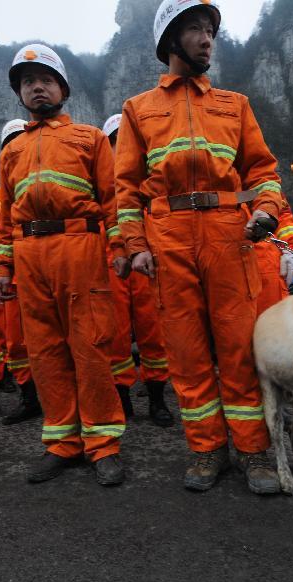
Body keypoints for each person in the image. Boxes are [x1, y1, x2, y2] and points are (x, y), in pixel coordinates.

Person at [113, 0, 283, 493]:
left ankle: (253, 451)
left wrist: (266, 210)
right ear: (170, 40)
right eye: (195, 29)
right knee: (186, 352)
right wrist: (135, 242)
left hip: (230, 232)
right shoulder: (138, 109)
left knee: (237, 347)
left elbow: (262, 171)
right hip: (168, 236)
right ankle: (206, 448)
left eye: (211, 30)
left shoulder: (236, 104)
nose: (208, 38)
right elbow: (126, 187)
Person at [0, 44, 126, 486]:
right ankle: (62, 442)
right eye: (28, 82)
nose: (37, 88)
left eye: (45, 80)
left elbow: (112, 200)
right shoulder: (12, 152)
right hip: (30, 253)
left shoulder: (88, 138)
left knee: (89, 347)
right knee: (45, 352)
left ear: (62, 87)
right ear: (21, 94)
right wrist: (4, 268)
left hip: (79, 245)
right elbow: (6, 215)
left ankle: (102, 443)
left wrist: (121, 247)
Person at [101, 113, 173, 427]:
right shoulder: (100, 184)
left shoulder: (152, 181)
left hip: (148, 260)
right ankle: (122, 399)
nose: (122, 149)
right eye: (116, 143)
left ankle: (157, 399)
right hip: (109, 263)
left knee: (153, 330)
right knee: (114, 335)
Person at [0, 118, 42, 425]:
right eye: (8, 144)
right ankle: (29, 397)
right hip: (14, 274)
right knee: (16, 341)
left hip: (42, 269)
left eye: (18, 141)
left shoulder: (43, 182)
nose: (14, 148)